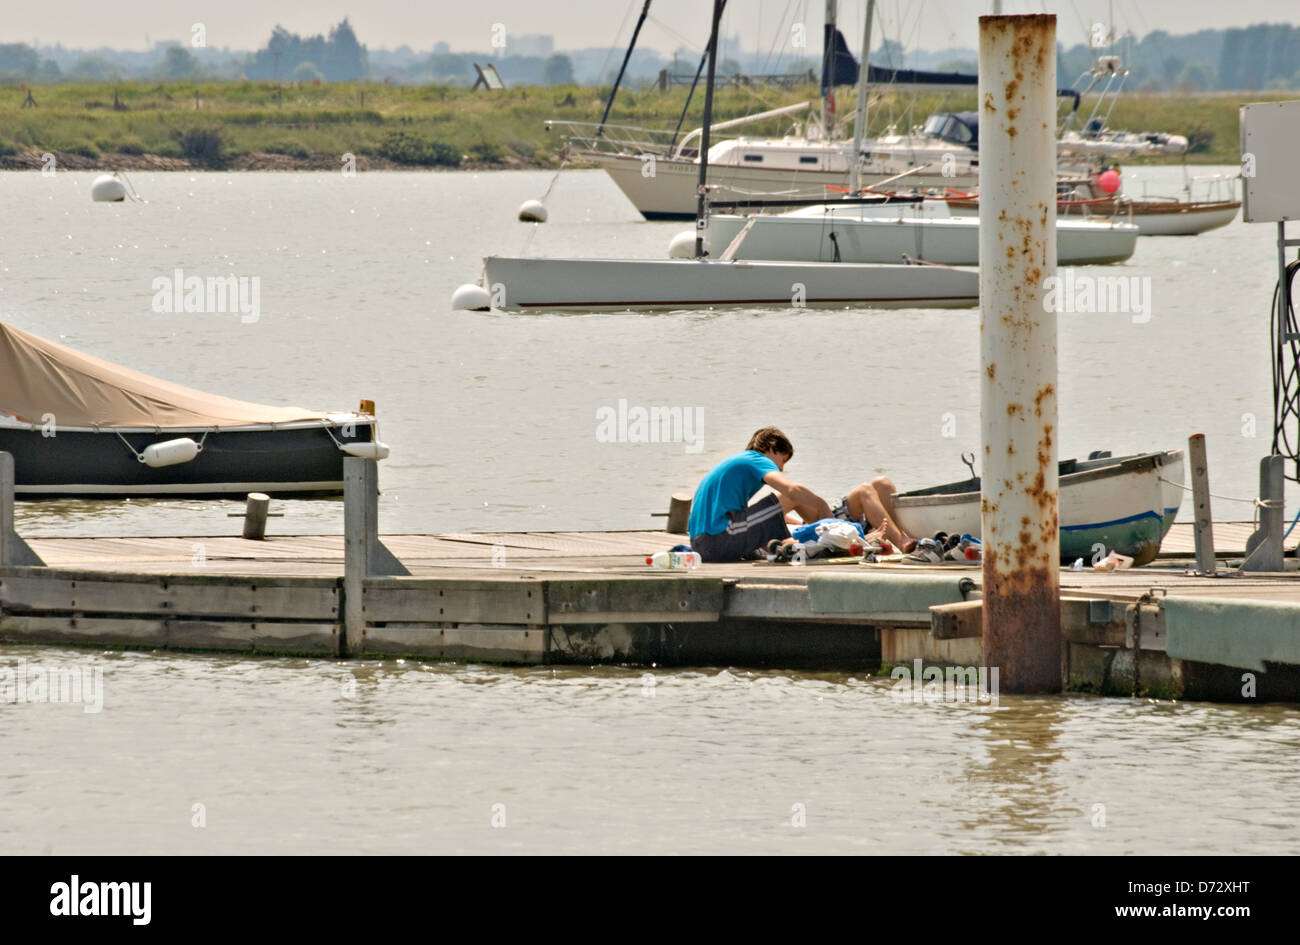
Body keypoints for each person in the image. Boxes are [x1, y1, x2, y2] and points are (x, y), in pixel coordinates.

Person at [687, 427, 835, 563]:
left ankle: (803, 545)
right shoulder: (757, 459)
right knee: (791, 495)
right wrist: (821, 505)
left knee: (776, 527)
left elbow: (753, 522)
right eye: (783, 460)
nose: (781, 469)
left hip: (702, 545)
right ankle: (833, 533)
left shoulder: (738, 464)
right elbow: (791, 491)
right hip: (718, 540)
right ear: (771, 447)